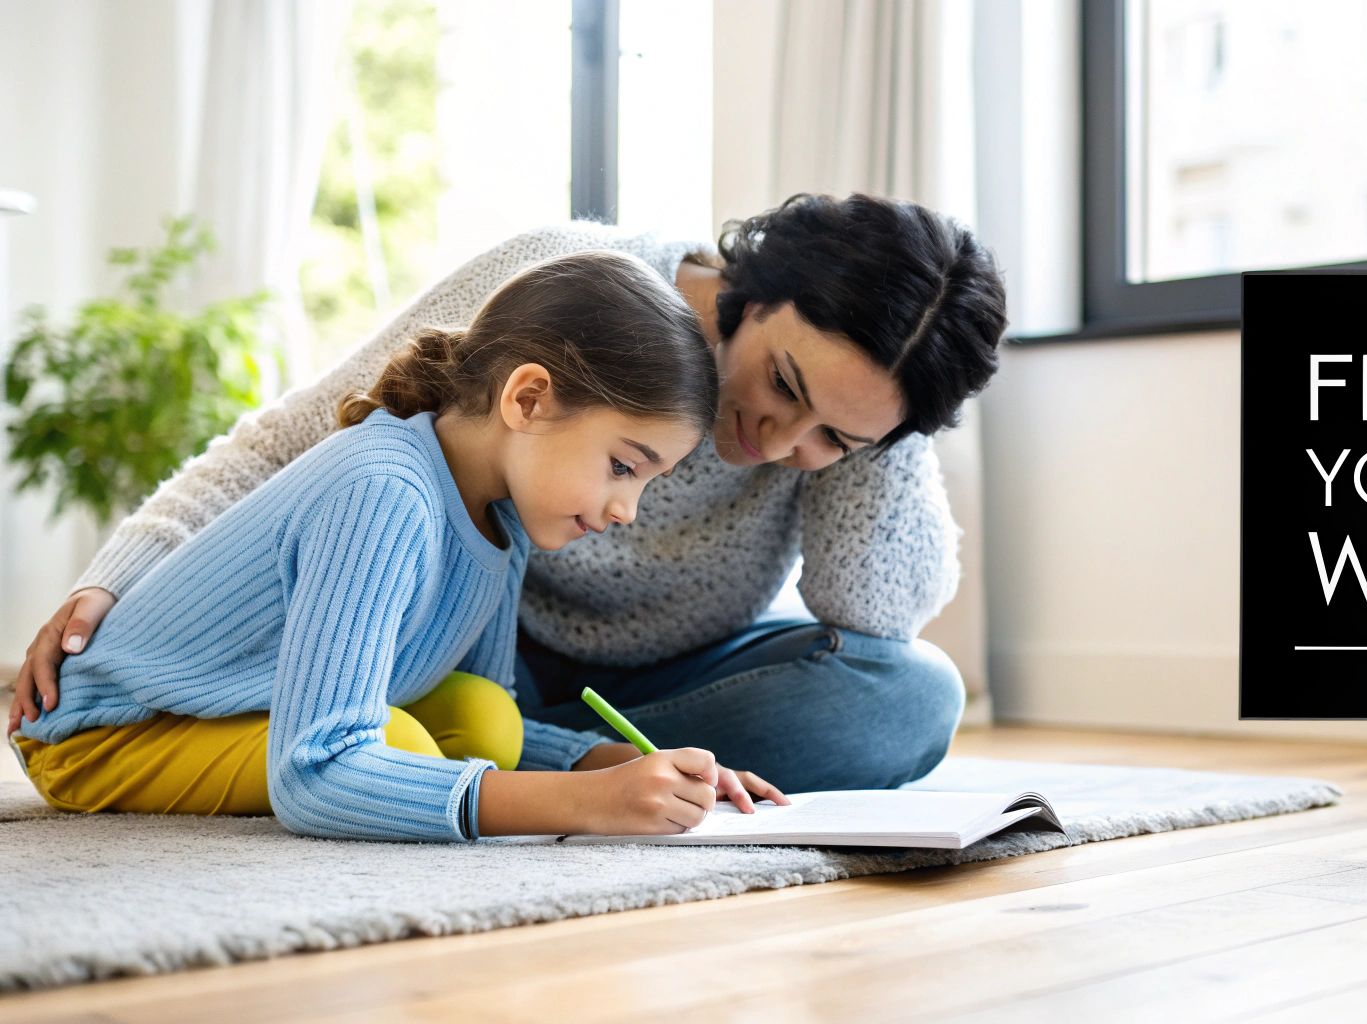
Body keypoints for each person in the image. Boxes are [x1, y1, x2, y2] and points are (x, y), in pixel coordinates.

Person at [10, 192, 1010, 793]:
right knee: (432, 719)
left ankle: (583, 759)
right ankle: (538, 767)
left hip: (649, 687)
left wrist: (884, 421)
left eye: (834, 436)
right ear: (754, 288)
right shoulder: (574, 283)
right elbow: (305, 432)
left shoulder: (836, 438)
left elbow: (871, 613)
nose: (777, 440)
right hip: (462, 637)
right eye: (783, 386)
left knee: (909, 692)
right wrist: (116, 578)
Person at [7, 250, 788, 842]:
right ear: (527, 398)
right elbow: (317, 772)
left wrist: (621, 768)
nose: (628, 509)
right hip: (105, 736)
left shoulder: (504, 524)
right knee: (397, 743)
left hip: (244, 713)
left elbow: (491, 730)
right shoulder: (384, 490)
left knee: (486, 719)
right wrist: (581, 805)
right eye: (624, 467)